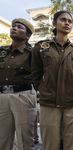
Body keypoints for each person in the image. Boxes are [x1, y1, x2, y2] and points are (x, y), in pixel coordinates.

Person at [31, 10, 73, 150]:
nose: (67, 23)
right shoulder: (41, 47)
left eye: (70, 21)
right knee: (50, 144)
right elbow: (35, 75)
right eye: (63, 20)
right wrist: (43, 90)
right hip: (49, 103)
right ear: (54, 23)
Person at [0, 18, 37, 150]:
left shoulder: (33, 54)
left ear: (28, 36)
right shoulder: (1, 52)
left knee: (24, 138)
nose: (14, 28)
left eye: (19, 27)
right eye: (13, 26)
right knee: (3, 137)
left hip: (23, 95)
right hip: (2, 96)